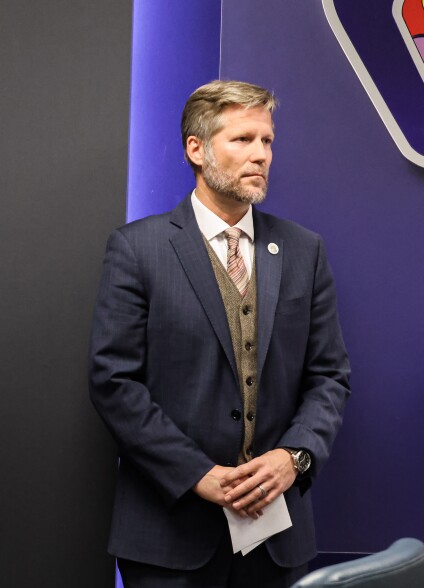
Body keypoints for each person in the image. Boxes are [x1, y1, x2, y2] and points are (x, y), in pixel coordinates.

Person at [89, 80, 351, 587]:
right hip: (167, 536)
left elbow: (330, 377)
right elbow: (113, 383)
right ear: (197, 149)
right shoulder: (137, 249)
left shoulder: (303, 251)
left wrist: (293, 457)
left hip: (276, 539)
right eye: (243, 140)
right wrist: (197, 473)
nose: (261, 155)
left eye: (267, 141)